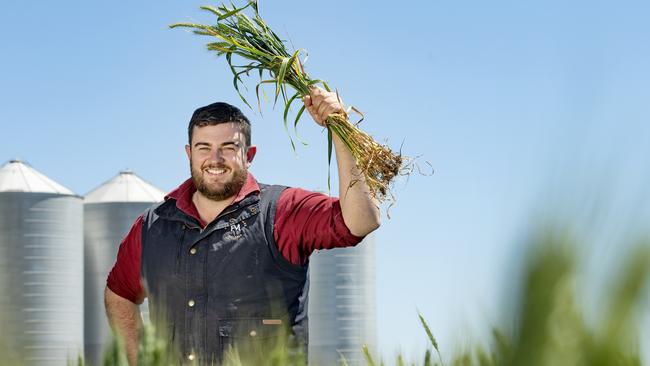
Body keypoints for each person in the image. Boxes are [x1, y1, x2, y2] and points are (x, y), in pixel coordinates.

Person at [104, 87, 381, 365]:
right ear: (189, 153)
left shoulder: (282, 211)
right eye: (204, 148)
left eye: (228, 148)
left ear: (249, 155)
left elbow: (361, 221)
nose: (215, 159)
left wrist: (340, 128)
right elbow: (119, 294)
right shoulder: (152, 227)